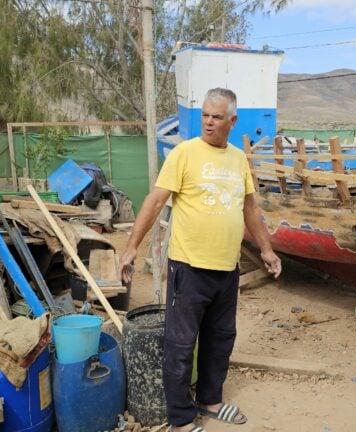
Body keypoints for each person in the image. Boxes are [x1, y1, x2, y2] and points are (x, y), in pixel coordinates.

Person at [120, 88, 281, 432]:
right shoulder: (184, 154)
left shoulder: (238, 159)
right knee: (180, 344)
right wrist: (133, 247)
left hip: (227, 268)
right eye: (205, 115)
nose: (208, 122)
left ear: (232, 120)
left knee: (220, 338)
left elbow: (249, 208)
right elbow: (154, 200)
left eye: (217, 116)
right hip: (189, 267)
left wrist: (266, 250)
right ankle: (180, 419)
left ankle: (211, 400)